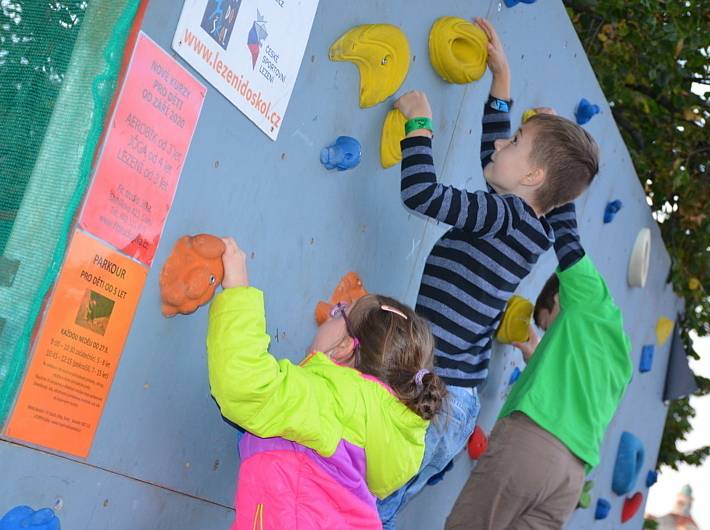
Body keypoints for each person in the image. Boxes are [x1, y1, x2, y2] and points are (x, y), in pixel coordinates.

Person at [378, 16, 600, 528]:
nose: (502, 143)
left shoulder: (500, 215)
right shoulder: (530, 225)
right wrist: (500, 80)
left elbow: (422, 195)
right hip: (457, 402)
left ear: (533, 176)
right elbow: (494, 159)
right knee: (378, 505)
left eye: (517, 139)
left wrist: (419, 122)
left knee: (364, 496)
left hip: (430, 397)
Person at [207, 237, 447, 529]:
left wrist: (237, 291)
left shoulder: (335, 400)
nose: (328, 314)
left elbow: (247, 383)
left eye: (338, 313)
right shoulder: (376, 424)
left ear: (344, 346)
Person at [445, 203, 633, 529]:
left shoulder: (587, 299)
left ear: (559, 298)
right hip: (570, 479)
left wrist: (558, 175)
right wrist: (535, 355)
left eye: (547, 327)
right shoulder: (620, 353)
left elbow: (568, 237)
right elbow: (573, 385)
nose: (547, 336)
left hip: (531, 447)